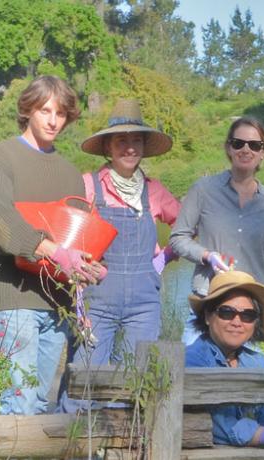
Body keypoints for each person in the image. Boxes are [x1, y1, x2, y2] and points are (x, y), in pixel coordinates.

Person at [0, 75, 106, 415]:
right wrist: (55, 251)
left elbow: (77, 243)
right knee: (17, 404)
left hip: (56, 305)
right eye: (44, 110)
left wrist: (86, 271)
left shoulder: (70, 173)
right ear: (27, 110)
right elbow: (1, 225)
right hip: (14, 298)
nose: (53, 120)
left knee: (40, 405)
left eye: (61, 113)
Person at [72, 99, 181, 366]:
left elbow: (188, 227)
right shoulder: (88, 186)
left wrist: (164, 258)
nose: (130, 148)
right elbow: (67, 238)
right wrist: (79, 279)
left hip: (145, 304)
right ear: (108, 147)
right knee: (86, 374)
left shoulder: (154, 191)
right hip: (97, 299)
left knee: (135, 378)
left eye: (137, 141)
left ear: (144, 147)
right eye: (121, 140)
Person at [172, 117, 264, 340]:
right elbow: (178, 238)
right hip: (209, 300)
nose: (246, 149)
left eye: (254, 145)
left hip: (250, 309)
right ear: (228, 148)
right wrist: (206, 255)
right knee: (192, 371)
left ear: (263, 152)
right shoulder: (203, 190)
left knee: (248, 373)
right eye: (238, 143)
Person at [185, 271, 264, 460]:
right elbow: (214, 422)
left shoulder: (255, 361)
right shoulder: (192, 360)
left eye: (247, 315)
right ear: (207, 316)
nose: (237, 321)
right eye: (227, 312)